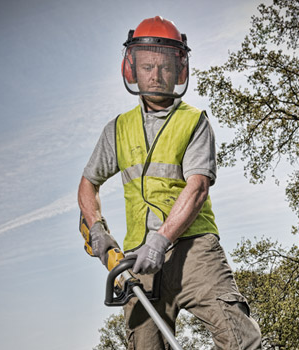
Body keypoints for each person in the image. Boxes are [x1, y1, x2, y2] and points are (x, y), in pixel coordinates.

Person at [77, 16, 262, 350]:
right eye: (147, 66)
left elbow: (197, 187)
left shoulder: (193, 122)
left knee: (241, 338)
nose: (156, 75)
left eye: (164, 67)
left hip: (194, 250)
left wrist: (161, 241)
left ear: (179, 71)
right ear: (132, 69)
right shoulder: (117, 130)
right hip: (137, 259)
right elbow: (88, 184)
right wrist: (97, 230)